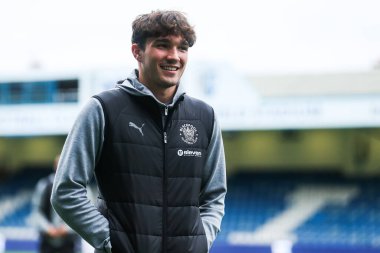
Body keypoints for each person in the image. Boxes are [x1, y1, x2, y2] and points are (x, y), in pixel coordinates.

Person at [51, 10, 227, 253]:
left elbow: (214, 195)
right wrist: (113, 241)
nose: (174, 56)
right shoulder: (103, 109)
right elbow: (66, 190)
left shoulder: (205, 116)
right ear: (137, 51)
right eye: (163, 45)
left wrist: (200, 241)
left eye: (182, 48)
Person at [31, 155, 79, 253]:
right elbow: (37, 211)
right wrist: (48, 228)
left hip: (68, 242)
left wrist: (66, 229)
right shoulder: (44, 185)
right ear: (55, 166)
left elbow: (81, 214)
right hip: (47, 241)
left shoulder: (77, 186)